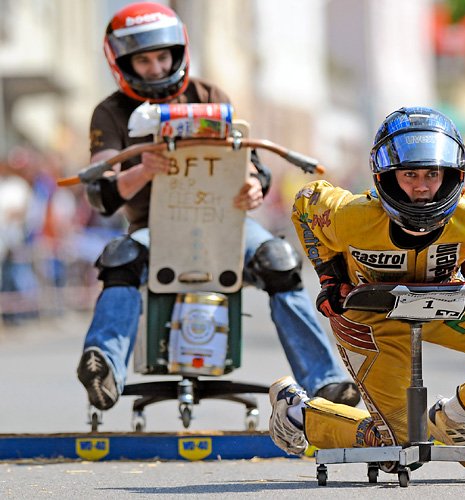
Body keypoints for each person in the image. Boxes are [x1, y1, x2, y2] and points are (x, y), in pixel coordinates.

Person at [76, 2, 359, 413]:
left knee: (278, 259)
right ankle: (104, 368)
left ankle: (326, 381)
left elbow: (256, 168)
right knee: (120, 257)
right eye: (143, 60)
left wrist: (253, 187)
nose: (155, 68)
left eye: (161, 57)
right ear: (123, 64)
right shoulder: (110, 112)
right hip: (156, 226)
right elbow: (99, 193)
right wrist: (141, 171)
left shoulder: (210, 97)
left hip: (225, 222)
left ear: (178, 54)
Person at [269, 106, 465, 478]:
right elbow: (305, 203)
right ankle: (298, 412)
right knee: (400, 448)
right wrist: (330, 278)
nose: (421, 186)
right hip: (372, 316)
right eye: (409, 174)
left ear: (452, 175)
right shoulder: (350, 217)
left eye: (432, 174)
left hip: (448, 302)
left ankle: (457, 419)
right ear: (385, 176)